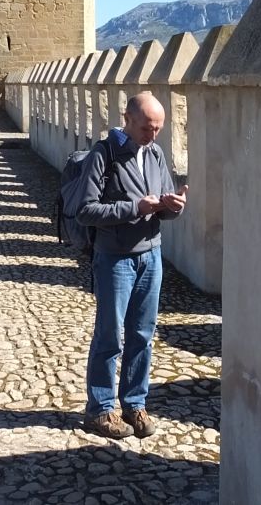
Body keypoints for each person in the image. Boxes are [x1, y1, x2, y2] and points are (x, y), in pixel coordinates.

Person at [69, 92, 188, 439]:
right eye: (147, 128)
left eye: (158, 129)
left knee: (143, 334)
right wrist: (135, 207)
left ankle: (134, 403)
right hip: (115, 258)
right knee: (111, 336)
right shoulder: (103, 154)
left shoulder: (155, 153)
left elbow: (163, 205)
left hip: (151, 256)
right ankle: (101, 410)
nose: (153, 136)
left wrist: (173, 205)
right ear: (128, 119)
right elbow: (86, 210)